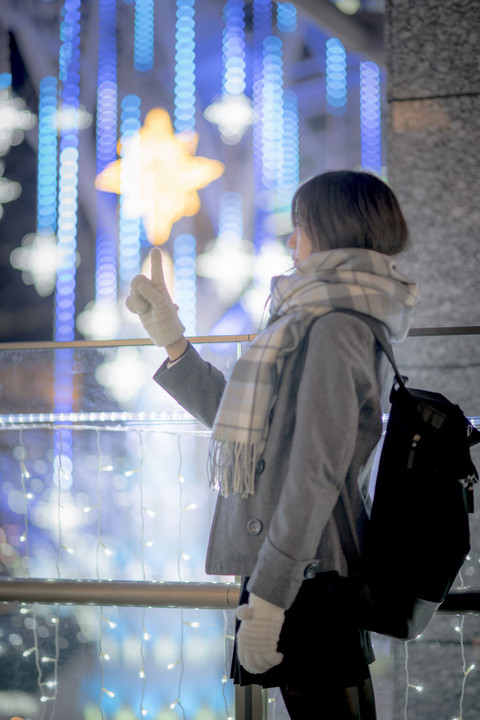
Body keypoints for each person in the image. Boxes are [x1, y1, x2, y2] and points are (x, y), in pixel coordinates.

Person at [125, 170, 419, 719]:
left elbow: (313, 471)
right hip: (300, 566)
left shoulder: (334, 327)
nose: (292, 241)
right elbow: (262, 434)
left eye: (301, 226)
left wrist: (269, 600)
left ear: (332, 230)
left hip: (303, 571)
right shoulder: (315, 316)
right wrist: (172, 339)